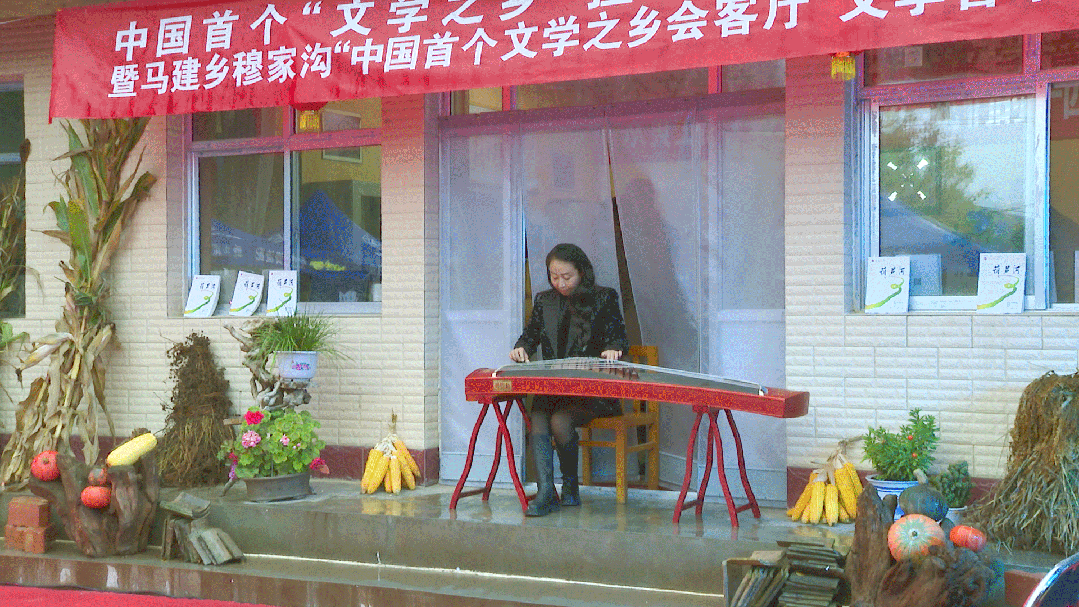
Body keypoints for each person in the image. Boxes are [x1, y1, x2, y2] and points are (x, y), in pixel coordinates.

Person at [509, 243, 628, 516]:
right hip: (557, 388)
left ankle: (570, 487)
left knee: (560, 420)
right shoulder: (544, 301)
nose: (560, 283)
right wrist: (522, 348)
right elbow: (530, 335)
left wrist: (613, 348)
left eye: (567, 277)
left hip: (592, 392)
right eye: (554, 277)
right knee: (538, 413)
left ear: (582, 272)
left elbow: (618, 336)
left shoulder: (604, 297)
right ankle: (546, 491)